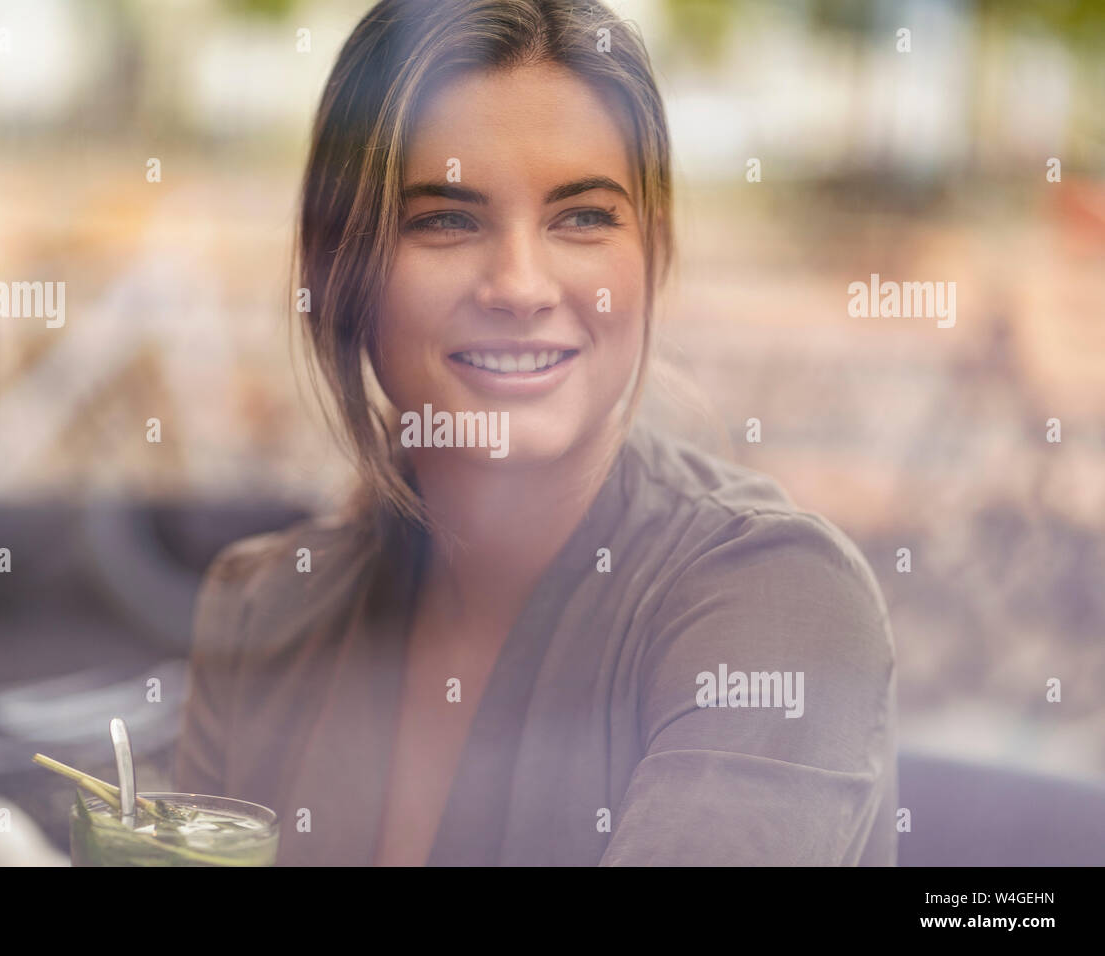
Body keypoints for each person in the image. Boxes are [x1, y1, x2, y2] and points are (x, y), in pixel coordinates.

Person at [174, 0, 898, 866]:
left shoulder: (774, 604)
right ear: (340, 271)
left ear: (651, 255)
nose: (520, 286)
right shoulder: (263, 611)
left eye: (584, 216)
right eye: (445, 218)